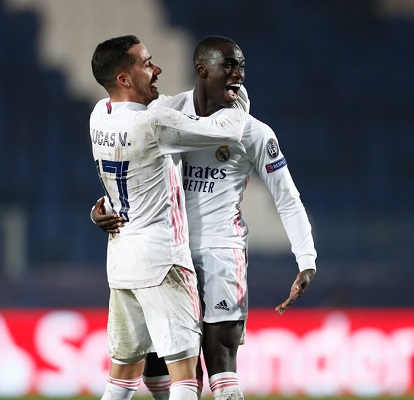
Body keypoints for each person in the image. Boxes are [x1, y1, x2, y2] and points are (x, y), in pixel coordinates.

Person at [92, 36, 317, 400]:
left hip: (219, 253)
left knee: (221, 368)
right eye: (229, 66)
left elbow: (288, 198)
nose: (238, 75)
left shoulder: (258, 134)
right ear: (202, 70)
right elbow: (131, 165)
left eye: (241, 66)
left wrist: (306, 258)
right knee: (159, 370)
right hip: (167, 254)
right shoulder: (167, 112)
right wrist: (101, 206)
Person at [89, 35, 248, 400]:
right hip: (164, 263)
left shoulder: (99, 114)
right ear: (125, 80)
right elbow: (232, 131)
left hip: (122, 262)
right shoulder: (155, 123)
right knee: (184, 376)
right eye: (146, 63)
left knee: (122, 376)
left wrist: (99, 211)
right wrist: (237, 95)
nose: (156, 69)